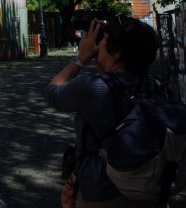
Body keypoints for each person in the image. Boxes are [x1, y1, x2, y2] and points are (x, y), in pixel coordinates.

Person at [44, 15, 160, 207]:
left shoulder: (93, 87)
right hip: (150, 188)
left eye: (102, 41)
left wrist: (80, 59)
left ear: (116, 53)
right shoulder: (156, 86)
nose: (96, 46)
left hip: (101, 190)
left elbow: (52, 93)